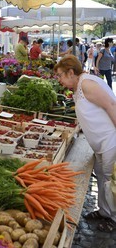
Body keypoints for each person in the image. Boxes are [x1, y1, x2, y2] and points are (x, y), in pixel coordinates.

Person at [54, 55, 116, 232]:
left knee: (111, 179)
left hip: (110, 138)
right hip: (100, 142)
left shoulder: (86, 84)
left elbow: (111, 104)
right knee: (103, 176)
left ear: (71, 72)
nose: (59, 80)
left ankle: (114, 218)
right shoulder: (78, 86)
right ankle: (105, 211)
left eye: (60, 75)